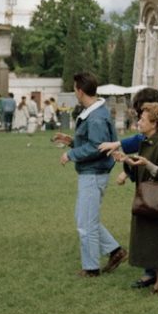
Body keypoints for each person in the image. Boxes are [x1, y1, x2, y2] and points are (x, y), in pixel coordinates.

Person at [103, 86, 158, 290]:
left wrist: (144, 164)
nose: (138, 120)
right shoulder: (148, 140)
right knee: (153, 238)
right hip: (150, 196)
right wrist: (127, 161)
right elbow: (144, 159)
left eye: (142, 117)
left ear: (155, 121)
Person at [52, 71, 125, 278]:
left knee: (86, 223)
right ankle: (114, 251)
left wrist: (71, 153)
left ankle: (91, 267)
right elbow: (94, 142)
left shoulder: (95, 117)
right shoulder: (97, 113)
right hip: (93, 173)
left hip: (93, 174)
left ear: (80, 91)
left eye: (75, 89)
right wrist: (72, 141)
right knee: (85, 219)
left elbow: (96, 146)